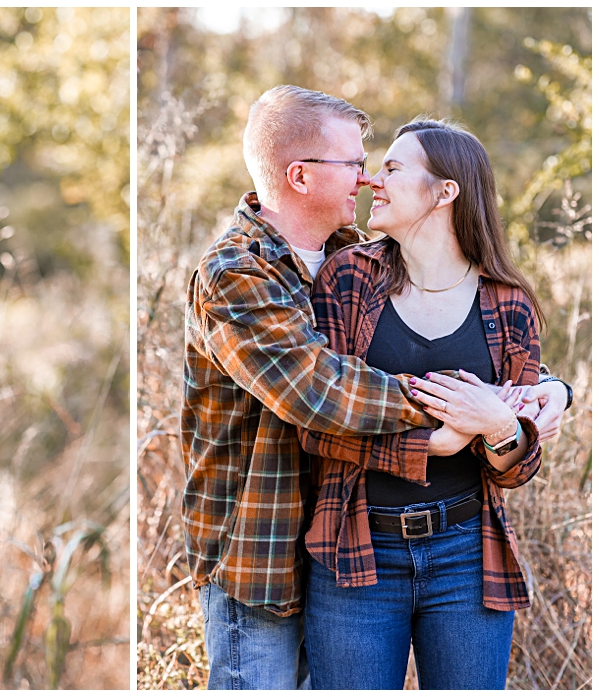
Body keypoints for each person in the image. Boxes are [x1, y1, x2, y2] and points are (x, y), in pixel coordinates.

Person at [180, 86, 570, 690]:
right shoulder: (238, 274)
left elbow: (483, 355)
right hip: (262, 559)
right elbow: (318, 389)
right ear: (300, 176)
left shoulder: (342, 257)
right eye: (357, 164)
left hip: (344, 545)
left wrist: (545, 390)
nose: (366, 180)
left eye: (378, 166)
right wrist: (458, 418)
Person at [300, 120, 545, 689]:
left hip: (468, 557)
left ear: (445, 191)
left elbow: (518, 467)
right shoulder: (348, 282)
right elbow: (314, 422)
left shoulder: (510, 305)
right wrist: (429, 444)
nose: (370, 181)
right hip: (355, 552)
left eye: (391, 168)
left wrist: (502, 428)